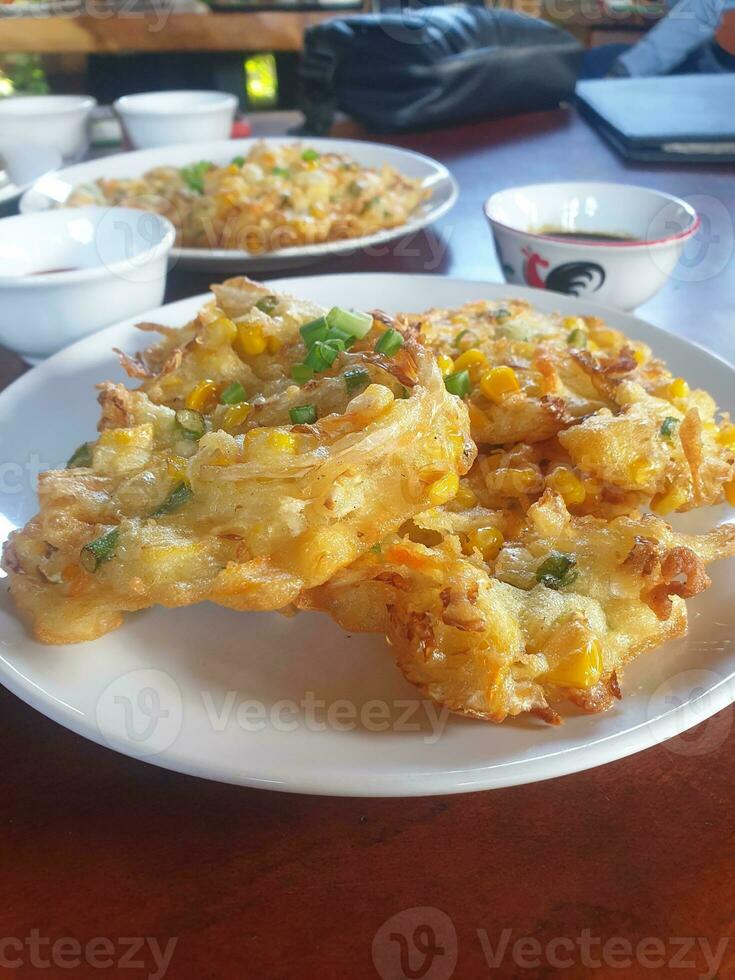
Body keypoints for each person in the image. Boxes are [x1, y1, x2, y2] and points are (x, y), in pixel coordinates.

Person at [581, 0, 735, 77]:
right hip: (709, 59)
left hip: (718, 80)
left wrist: (623, 71)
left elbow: (686, 28)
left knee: (593, 63)